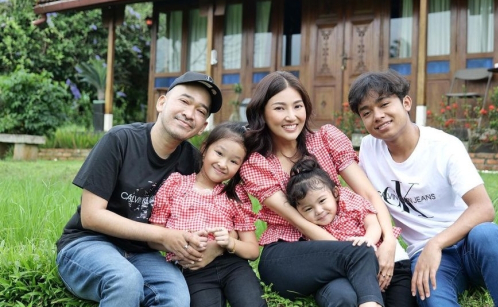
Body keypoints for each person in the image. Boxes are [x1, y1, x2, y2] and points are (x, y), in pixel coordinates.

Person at [347, 69, 498, 307]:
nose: (378, 116)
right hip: (429, 259)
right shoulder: (369, 150)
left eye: (384, 104)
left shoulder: (444, 146)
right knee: (433, 301)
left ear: (406, 103)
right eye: (367, 112)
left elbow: (484, 208)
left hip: (471, 246)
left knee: (487, 234)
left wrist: (436, 243)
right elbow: (364, 203)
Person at [55, 71, 226, 307]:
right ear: (162, 103)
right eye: (185, 101)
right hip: (88, 243)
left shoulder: (194, 163)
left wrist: (212, 247)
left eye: (200, 111)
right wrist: (163, 236)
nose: (189, 114)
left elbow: (225, 207)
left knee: (176, 297)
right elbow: (91, 216)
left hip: (144, 254)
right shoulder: (120, 140)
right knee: (125, 281)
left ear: (202, 127)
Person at [240, 71, 398, 307]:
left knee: (344, 297)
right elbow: (299, 221)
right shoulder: (257, 163)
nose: (291, 116)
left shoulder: (325, 139)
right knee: (362, 252)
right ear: (262, 112)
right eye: (280, 108)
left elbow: (368, 194)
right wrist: (353, 251)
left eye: (297, 106)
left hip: (336, 257)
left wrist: (389, 241)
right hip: (287, 256)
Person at [149, 121, 267, 307]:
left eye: (234, 161)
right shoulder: (175, 185)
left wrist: (229, 243)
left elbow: (252, 251)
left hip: (232, 266)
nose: (223, 164)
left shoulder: (235, 195)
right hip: (192, 270)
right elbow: (153, 238)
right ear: (204, 149)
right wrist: (181, 241)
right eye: (219, 153)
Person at [286, 157, 416, 307]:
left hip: (393, 264)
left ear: (335, 193)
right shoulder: (313, 230)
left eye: (322, 201)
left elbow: (373, 224)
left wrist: (368, 240)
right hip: (364, 277)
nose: (319, 211)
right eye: (308, 209)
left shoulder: (349, 202)